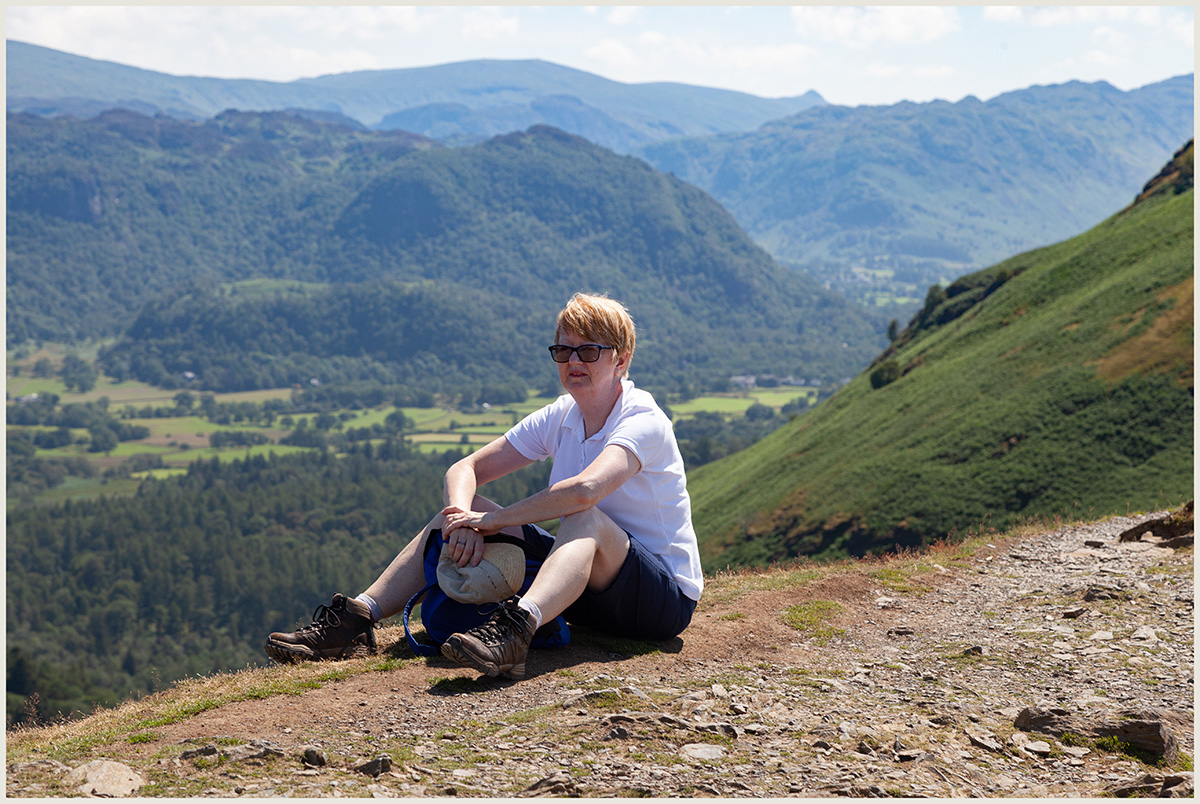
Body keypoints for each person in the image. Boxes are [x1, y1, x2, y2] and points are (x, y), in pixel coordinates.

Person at [265, 292, 704, 679]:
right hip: (584, 592)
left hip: (659, 602)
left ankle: (517, 630)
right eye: (563, 351)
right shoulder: (562, 414)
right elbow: (464, 468)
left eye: (589, 352)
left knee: (585, 516)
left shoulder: (643, 419)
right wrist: (462, 522)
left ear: (621, 359)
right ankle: (358, 620)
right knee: (455, 508)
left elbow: (586, 490)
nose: (573, 363)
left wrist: (493, 520)